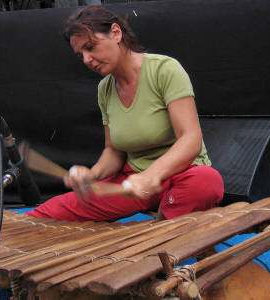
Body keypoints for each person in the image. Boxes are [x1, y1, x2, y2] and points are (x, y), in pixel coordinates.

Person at [26, 5, 224, 222]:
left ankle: (161, 231)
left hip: (180, 175)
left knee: (205, 182)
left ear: (116, 33)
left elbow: (191, 138)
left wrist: (150, 176)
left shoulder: (165, 70)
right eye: (80, 54)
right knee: (45, 215)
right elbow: (114, 151)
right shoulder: (105, 89)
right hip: (131, 181)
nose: (86, 59)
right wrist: (90, 175)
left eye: (90, 47)